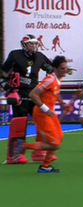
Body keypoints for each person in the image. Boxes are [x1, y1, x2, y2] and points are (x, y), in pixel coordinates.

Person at [1, 34, 56, 164]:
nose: (34, 46)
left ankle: (39, 151)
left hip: (34, 94)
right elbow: (2, 75)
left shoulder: (40, 56)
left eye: (36, 43)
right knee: (19, 123)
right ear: (24, 44)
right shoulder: (15, 55)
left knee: (42, 122)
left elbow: (51, 71)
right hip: (19, 93)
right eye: (31, 43)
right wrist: (9, 89)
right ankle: (15, 154)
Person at [14, 56, 70, 173]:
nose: (64, 70)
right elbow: (33, 94)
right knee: (55, 144)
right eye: (62, 68)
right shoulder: (49, 80)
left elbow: (56, 93)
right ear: (54, 69)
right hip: (42, 114)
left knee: (59, 138)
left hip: (50, 114)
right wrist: (45, 109)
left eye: (65, 68)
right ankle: (23, 146)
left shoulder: (58, 79)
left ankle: (45, 166)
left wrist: (62, 104)